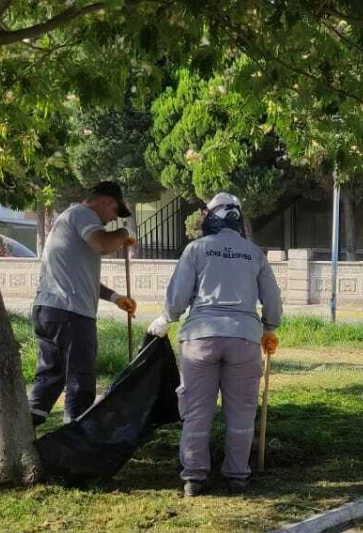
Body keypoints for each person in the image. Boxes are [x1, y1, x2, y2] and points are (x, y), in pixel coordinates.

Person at [147, 193, 282, 496]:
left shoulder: (196, 249)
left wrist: (166, 318)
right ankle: (237, 476)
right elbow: (272, 298)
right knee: (242, 412)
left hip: (200, 339)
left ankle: (194, 477)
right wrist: (270, 327)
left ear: (210, 217)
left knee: (196, 411)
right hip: (244, 339)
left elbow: (179, 296)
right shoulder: (254, 253)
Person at [28, 181, 139, 427]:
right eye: (114, 213)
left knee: (49, 378)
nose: (111, 220)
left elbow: (81, 279)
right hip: (71, 314)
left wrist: (115, 298)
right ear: (107, 202)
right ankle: (77, 437)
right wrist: (122, 235)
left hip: (51, 309)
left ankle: (24, 434)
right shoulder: (83, 214)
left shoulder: (69, 219)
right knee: (81, 380)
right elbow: (103, 244)